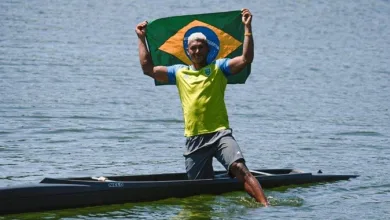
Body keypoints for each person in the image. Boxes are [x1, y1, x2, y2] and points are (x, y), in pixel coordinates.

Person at [135, 9, 269, 206]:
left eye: (200, 47)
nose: (196, 51)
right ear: (187, 51)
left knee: (240, 168)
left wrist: (247, 28)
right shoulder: (178, 72)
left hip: (220, 134)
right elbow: (148, 69)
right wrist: (141, 38)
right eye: (193, 48)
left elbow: (245, 59)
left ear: (207, 49)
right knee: (200, 192)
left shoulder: (219, 68)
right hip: (194, 139)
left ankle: (266, 207)